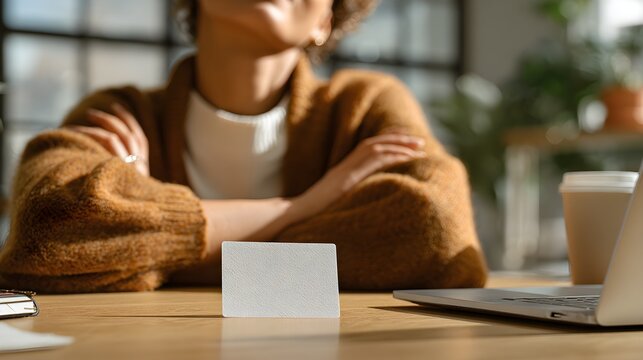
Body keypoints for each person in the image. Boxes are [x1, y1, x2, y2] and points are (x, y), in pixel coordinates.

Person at [0, 0, 487, 293]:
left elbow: (436, 235)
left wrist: (140, 241)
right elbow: (45, 236)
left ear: (327, 21)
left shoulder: (364, 105)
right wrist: (303, 206)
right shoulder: (120, 114)